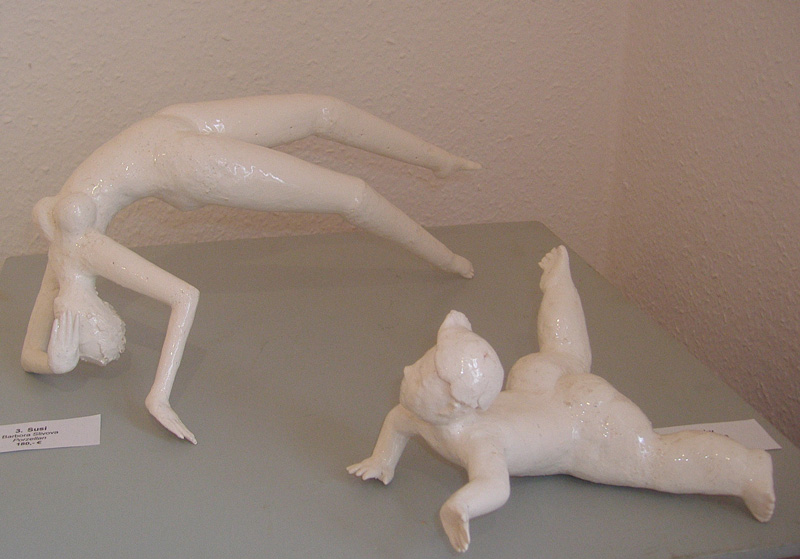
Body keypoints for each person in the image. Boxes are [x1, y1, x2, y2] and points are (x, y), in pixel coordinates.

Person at [21, 94, 480, 444]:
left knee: (325, 116)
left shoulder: (72, 259)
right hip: (179, 156)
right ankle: (449, 255)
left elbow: (182, 298)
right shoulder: (80, 253)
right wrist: (58, 364)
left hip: (171, 129)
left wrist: (150, 392)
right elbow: (32, 354)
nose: (88, 321)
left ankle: (439, 163)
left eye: (92, 330)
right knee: (350, 190)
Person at [348, 246, 775, 553]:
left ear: (453, 405)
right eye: (421, 365)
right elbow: (398, 420)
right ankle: (559, 284)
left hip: (584, 426)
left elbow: (495, 486)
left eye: (424, 375)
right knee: (564, 354)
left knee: (653, 460)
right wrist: (383, 461)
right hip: (534, 387)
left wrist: (459, 506)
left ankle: (749, 470)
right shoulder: (425, 415)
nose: (408, 371)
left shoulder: (478, 441)